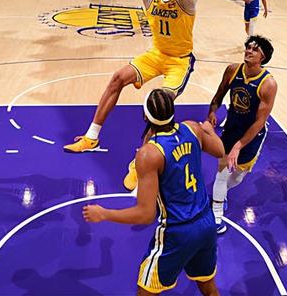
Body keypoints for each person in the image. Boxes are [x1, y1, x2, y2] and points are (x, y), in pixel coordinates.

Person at [65, 0, 198, 168]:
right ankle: (91, 137)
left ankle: (142, 163)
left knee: (159, 105)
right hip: (156, 54)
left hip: (179, 61)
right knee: (117, 78)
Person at [83, 89, 224, 295]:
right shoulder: (192, 128)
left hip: (177, 232)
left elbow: (145, 214)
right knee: (209, 289)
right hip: (206, 224)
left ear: (145, 116)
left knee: (145, 291)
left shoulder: (150, 153)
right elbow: (220, 151)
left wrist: (104, 213)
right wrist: (209, 131)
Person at [207, 35, 277, 234]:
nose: (249, 51)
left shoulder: (268, 84)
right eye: (248, 47)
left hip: (252, 135)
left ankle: (222, 193)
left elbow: (259, 122)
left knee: (237, 177)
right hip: (231, 128)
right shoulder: (232, 70)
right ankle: (216, 213)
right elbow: (219, 94)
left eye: (255, 49)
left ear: (263, 57)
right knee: (222, 172)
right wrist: (212, 111)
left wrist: (239, 146)